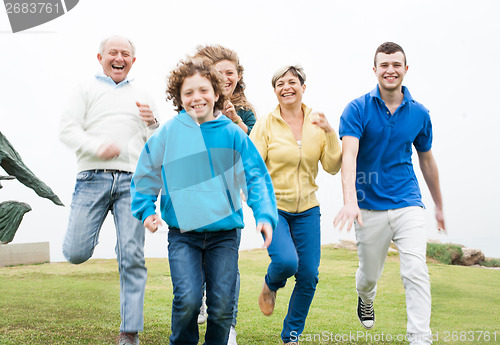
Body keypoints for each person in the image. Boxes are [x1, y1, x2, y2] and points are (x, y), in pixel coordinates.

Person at [130, 57, 278, 345]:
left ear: (216, 92)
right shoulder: (170, 132)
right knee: (187, 300)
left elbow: (255, 176)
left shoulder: (233, 134)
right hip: (184, 236)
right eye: (188, 92)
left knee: (222, 309)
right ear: (179, 97)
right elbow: (146, 171)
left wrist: (264, 214)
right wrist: (146, 210)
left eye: (203, 90)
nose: (196, 98)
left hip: (224, 236)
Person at [334, 42, 445, 345]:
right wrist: (350, 201)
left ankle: (420, 338)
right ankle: (366, 297)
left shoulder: (420, 113)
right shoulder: (357, 109)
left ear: (405, 69)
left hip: (407, 201)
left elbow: (426, 159)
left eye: (396, 64)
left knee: (416, 270)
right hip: (368, 206)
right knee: (369, 275)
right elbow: (349, 157)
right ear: (375, 70)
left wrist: (438, 205)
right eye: (384, 65)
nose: (390, 70)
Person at [59, 35, 159, 345]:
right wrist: (96, 146)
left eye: (125, 54)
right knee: (75, 252)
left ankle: (129, 332)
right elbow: (67, 129)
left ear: (133, 60)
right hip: (92, 177)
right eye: (113, 53)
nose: (119, 57)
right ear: (100, 57)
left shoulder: (142, 94)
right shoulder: (84, 89)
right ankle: (95, 231)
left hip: (133, 182)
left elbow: (153, 141)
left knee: (132, 255)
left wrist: (153, 122)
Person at [250, 65, 342, 344]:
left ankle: (291, 335)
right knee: (287, 262)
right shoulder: (266, 123)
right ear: (274, 90)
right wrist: (254, 201)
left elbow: (333, 166)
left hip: (308, 211)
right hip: (274, 207)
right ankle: (271, 284)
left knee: (309, 275)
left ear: (304, 86)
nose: (286, 87)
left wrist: (330, 132)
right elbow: (252, 166)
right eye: (280, 83)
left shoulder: (317, 121)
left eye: (292, 81)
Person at [194, 44, 257, 344]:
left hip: (230, 195)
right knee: (199, 258)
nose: (226, 77)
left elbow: (255, 150)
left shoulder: (245, 110)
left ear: (238, 76)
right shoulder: (198, 102)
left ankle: (228, 327)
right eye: (219, 73)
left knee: (228, 264)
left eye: (230, 72)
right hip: (198, 194)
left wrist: (236, 120)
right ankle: (201, 302)